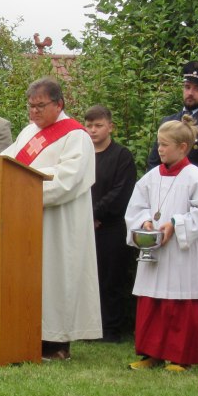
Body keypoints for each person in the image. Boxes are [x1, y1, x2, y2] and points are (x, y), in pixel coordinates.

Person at [0, 77, 101, 359]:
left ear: (59, 104)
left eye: (40, 106)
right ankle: (27, 333)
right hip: (27, 219)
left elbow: (68, 180)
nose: (34, 112)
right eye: (30, 106)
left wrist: (22, 192)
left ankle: (57, 343)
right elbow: (6, 163)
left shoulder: (76, 136)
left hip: (59, 222)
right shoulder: (29, 132)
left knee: (57, 277)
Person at [123, 119, 198, 370]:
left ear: (183, 147)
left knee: (179, 302)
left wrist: (176, 223)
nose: (159, 149)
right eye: (158, 144)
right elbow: (137, 206)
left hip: (181, 252)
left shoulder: (196, 177)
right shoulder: (151, 177)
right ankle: (151, 353)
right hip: (155, 250)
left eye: (165, 145)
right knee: (153, 301)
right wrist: (145, 222)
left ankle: (181, 356)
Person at [85, 105, 137, 343]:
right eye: (89, 125)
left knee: (111, 277)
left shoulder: (122, 156)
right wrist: (85, 215)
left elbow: (121, 191)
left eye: (98, 125)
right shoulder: (82, 155)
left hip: (111, 225)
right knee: (88, 277)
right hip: (84, 225)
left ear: (110, 127)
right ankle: (89, 327)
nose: (93, 130)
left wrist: (97, 213)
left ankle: (112, 329)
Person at [147, 60, 198, 176]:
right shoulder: (168, 121)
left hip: (192, 185)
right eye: (187, 87)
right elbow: (153, 162)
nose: (190, 93)